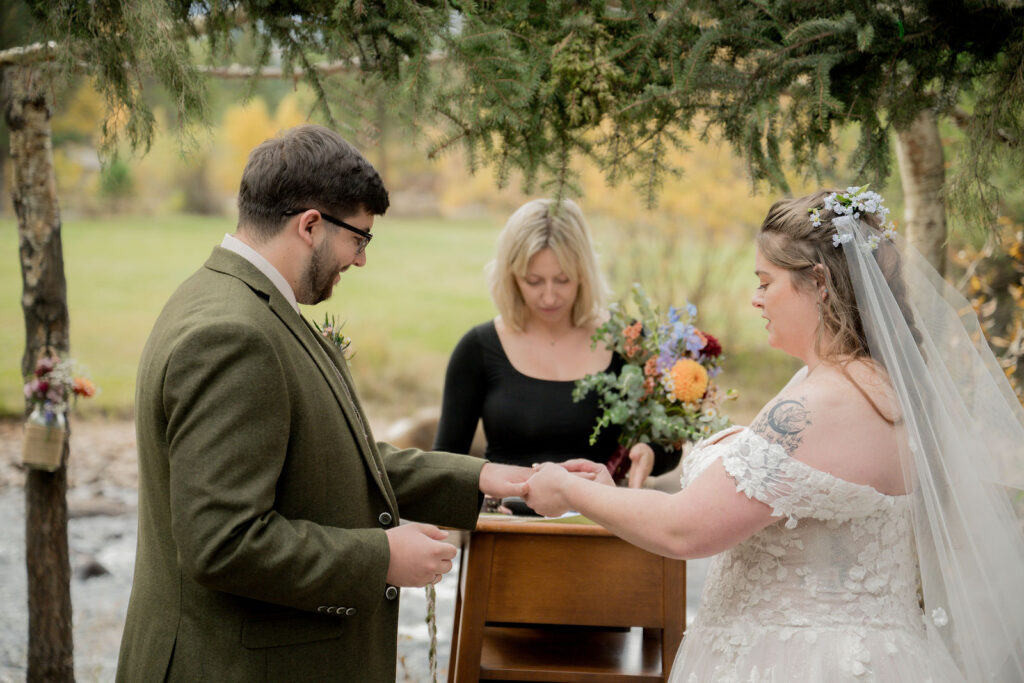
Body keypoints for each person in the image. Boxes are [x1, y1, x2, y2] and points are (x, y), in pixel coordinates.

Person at [524, 188, 1024, 681]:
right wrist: (613, 496)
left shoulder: (821, 403)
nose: (755, 298)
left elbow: (685, 529)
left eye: (767, 282)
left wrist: (571, 490)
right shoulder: (879, 385)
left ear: (820, 283)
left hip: (799, 662)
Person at [115, 124, 530, 682]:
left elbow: (332, 460)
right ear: (311, 224)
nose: (360, 260)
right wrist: (382, 557)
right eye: (359, 238)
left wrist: (486, 480)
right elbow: (223, 542)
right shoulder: (235, 335)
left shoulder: (229, 297)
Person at [433, 198, 678, 490]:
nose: (549, 297)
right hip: (503, 528)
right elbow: (444, 467)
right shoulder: (477, 349)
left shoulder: (629, 342)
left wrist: (650, 452)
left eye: (562, 280)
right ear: (510, 277)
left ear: (584, 274)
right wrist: (482, 497)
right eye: (533, 281)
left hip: (603, 528)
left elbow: (671, 441)